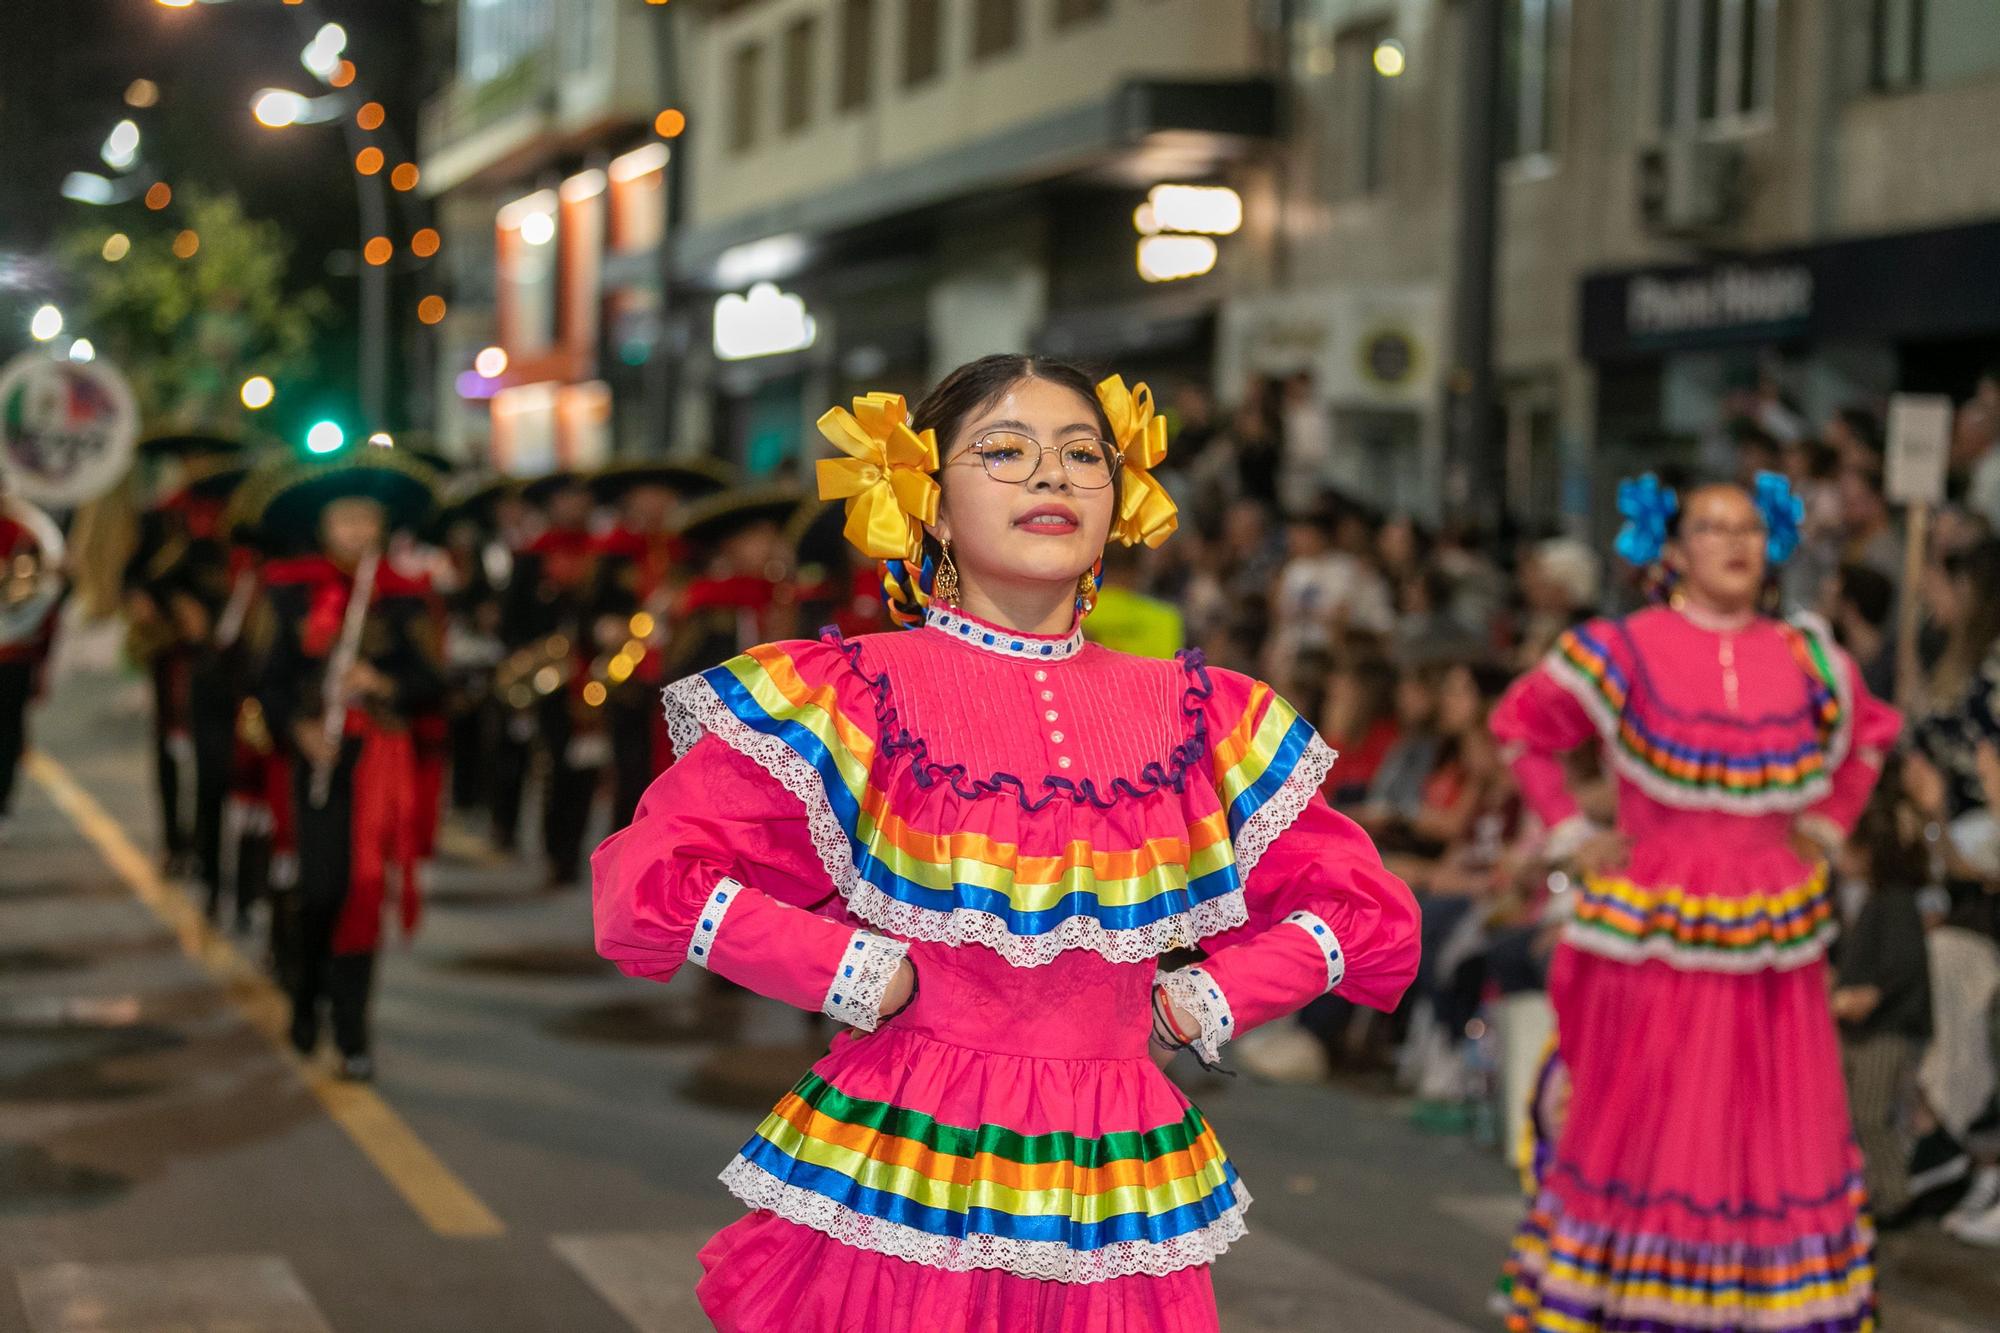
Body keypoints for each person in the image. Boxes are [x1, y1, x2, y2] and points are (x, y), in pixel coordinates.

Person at [592, 355, 1420, 1331]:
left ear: (1122, 497)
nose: (1051, 475)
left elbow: (1365, 911)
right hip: (910, 1160)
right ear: (929, 503)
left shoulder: (1201, 715)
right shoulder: (852, 695)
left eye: (1081, 454)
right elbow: (647, 881)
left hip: (1116, 1173)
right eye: (1003, 450)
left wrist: (1217, 993)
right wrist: (849, 968)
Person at [1492, 474, 1900, 1332]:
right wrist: (1570, 834)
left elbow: (1870, 737)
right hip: (1654, 923)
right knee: (1658, 1112)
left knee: (1770, 1124)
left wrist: (1826, 827)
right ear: (1672, 549)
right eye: (1712, 528)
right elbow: (1521, 728)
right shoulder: (1623, 648)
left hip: (1773, 925)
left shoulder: (1807, 655)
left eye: (1749, 526)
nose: (1734, 542)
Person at [253, 449, 442, 1080]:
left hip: (379, 761)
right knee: (321, 890)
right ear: (324, 527)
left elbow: (431, 683)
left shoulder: (406, 597)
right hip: (319, 759)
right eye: (346, 520)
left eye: (369, 520)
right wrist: (300, 729)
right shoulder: (288, 593)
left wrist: (382, 683)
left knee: (365, 890)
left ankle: (354, 1031)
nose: (358, 533)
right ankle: (306, 991)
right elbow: (267, 681)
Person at [586, 460, 730, 829]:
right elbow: (591, 613)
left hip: (677, 676)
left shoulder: (693, 555)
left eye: (661, 498)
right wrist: (606, 628)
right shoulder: (614, 555)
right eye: (644, 499)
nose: (653, 507)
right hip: (630, 684)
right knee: (629, 774)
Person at [1831, 774, 1934, 1224]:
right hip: (1865, 1029)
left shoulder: (1893, 902)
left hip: (1886, 1029)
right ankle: (1872, 1189)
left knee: (1871, 1114)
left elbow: (1900, 969)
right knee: (1855, 1115)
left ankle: (1895, 1196)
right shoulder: (1873, 901)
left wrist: (1866, 996)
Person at [0, 486, 65, 844]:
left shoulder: (23, 535)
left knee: (8, 730)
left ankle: (2, 801)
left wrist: (43, 659)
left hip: (13, 651)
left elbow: (34, 601)